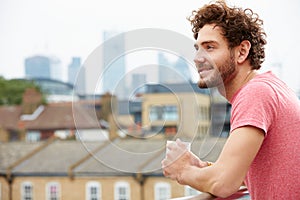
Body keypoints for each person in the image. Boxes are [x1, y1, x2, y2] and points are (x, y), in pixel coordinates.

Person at [161, 1, 300, 199]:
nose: (198, 58)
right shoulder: (271, 87)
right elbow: (245, 174)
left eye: (210, 47)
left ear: (242, 52)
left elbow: (225, 182)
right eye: (198, 48)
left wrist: (182, 171)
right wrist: (202, 168)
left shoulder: (256, 93)